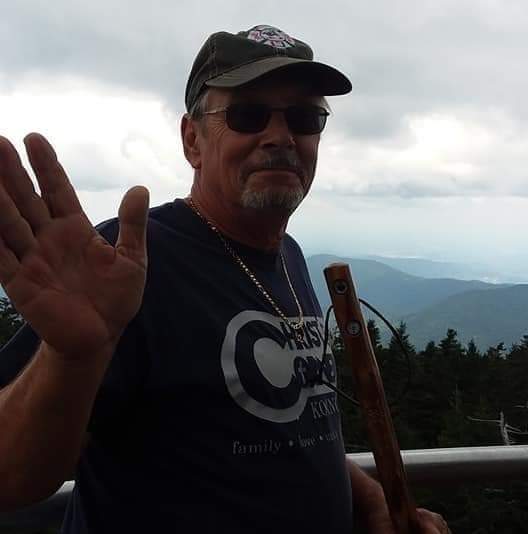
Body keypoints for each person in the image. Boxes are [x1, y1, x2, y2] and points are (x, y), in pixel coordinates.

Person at [0, 24, 450, 534]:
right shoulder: (127, 266)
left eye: (305, 118)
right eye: (248, 114)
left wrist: (367, 499)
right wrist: (70, 357)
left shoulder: (290, 258)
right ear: (193, 139)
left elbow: (284, 423)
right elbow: (9, 477)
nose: (280, 137)